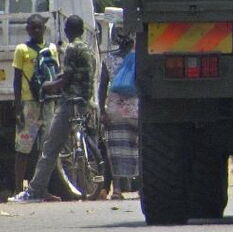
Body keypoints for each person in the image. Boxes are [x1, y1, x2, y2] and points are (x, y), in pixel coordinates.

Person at [13, 15, 97, 203]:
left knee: (50, 147)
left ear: (67, 30)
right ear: (82, 30)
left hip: (70, 102)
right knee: (73, 146)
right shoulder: (88, 50)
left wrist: (48, 85)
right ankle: (85, 186)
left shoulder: (70, 48)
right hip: (86, 101)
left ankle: (35, 191)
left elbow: (65, 79)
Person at [10, 14, 59, 194]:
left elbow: (56, 73)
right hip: (28, 103)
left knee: (46, 149)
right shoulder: (21, 49)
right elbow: (16, 78)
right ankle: (17, 189)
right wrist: (17, 104)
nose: (36, 31)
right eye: (33, 28)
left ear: (44, 29)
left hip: (48, 103)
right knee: (22, 147)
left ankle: (40, 188)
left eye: (39, 28)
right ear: (28, 30)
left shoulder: (52, 48)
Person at [97, 26, 138, 200]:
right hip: (137, 109)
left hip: (114, 111)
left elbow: (102, 89)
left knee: (115, 151)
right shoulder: (140, 59)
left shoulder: (108, 60)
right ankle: (142, 188)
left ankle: (118, 190)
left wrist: (102, 111)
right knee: (138, 149)